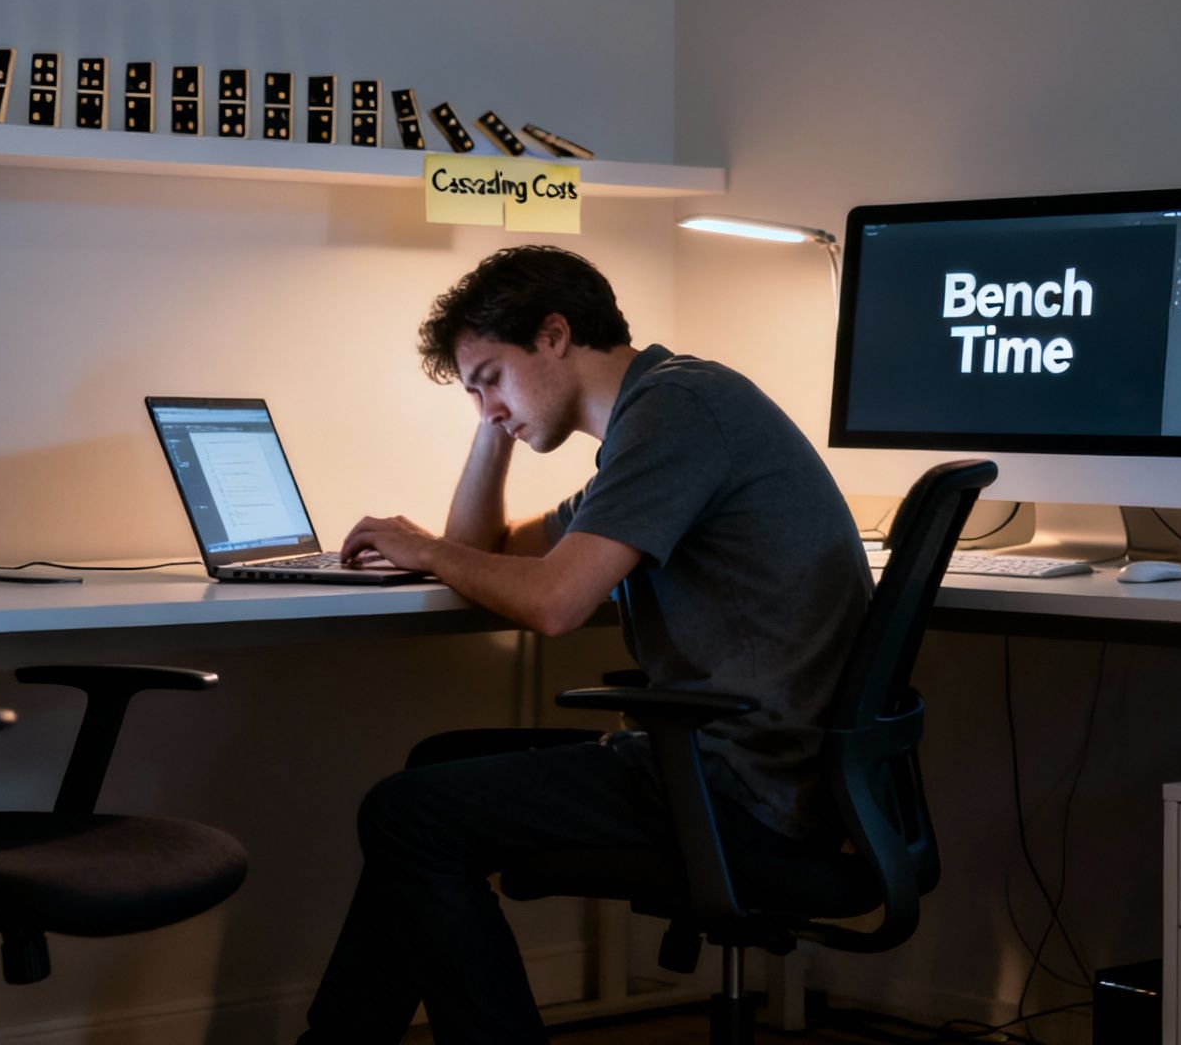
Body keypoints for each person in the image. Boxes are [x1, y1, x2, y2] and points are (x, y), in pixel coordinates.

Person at [300, 245, 871, 1044]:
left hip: (745, 790)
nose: (487, 404)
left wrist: (426, 550)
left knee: (407, 816)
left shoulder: (677, 416)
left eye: (491, 376)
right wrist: (493, 424)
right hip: (749, 769)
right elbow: (492, 547)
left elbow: (553, 603)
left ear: (555, 334)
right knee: (436, 766)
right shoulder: (653, 422)